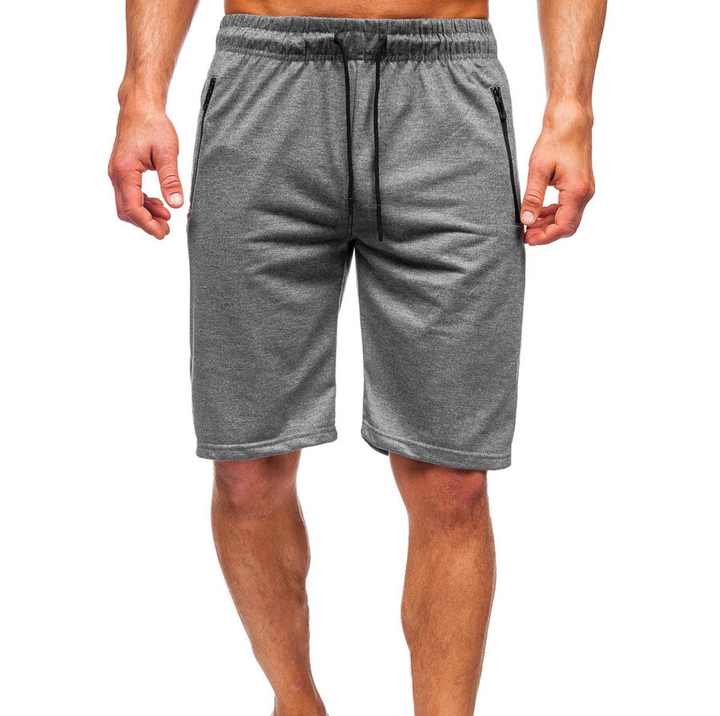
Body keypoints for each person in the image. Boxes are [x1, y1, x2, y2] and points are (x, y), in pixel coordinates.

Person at [109, 0, 606, 713]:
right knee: (247, 466)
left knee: (452, 477)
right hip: (265, 82)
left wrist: (571, 107)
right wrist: (141, 92)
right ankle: (296, 702)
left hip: (445, 92)